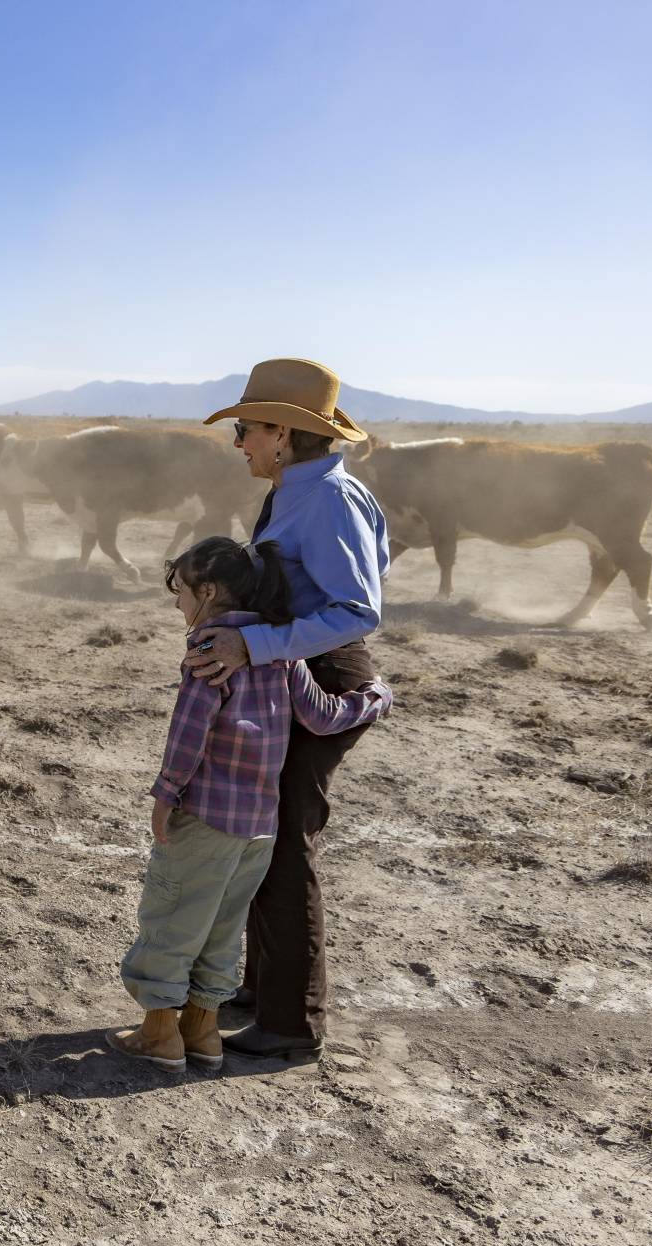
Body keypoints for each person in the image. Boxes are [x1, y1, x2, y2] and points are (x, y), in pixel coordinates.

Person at [109, 536, 392, 1071]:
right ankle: (203, 1033)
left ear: (209, 591)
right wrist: (375, 697)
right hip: (260, 827)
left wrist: (166, 793)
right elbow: (323, 717)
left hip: (206, 818)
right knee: (223, 927)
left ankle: (160, 1034)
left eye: (182, 591)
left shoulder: (211, 650)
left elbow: (189, 733)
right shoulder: (280, 651)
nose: (178, 603)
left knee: (173, 919)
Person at [183, 358, 392, 1061]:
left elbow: (359, 607)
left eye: (246, 428)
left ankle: (294, 1023)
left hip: (321, 674)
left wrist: (257, 644)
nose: (239, 441)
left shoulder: (327, 499)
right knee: (265, 835)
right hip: (299, 667)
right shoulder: (304, 492)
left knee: (283, 845)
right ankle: (264, 989)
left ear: (283, 432)